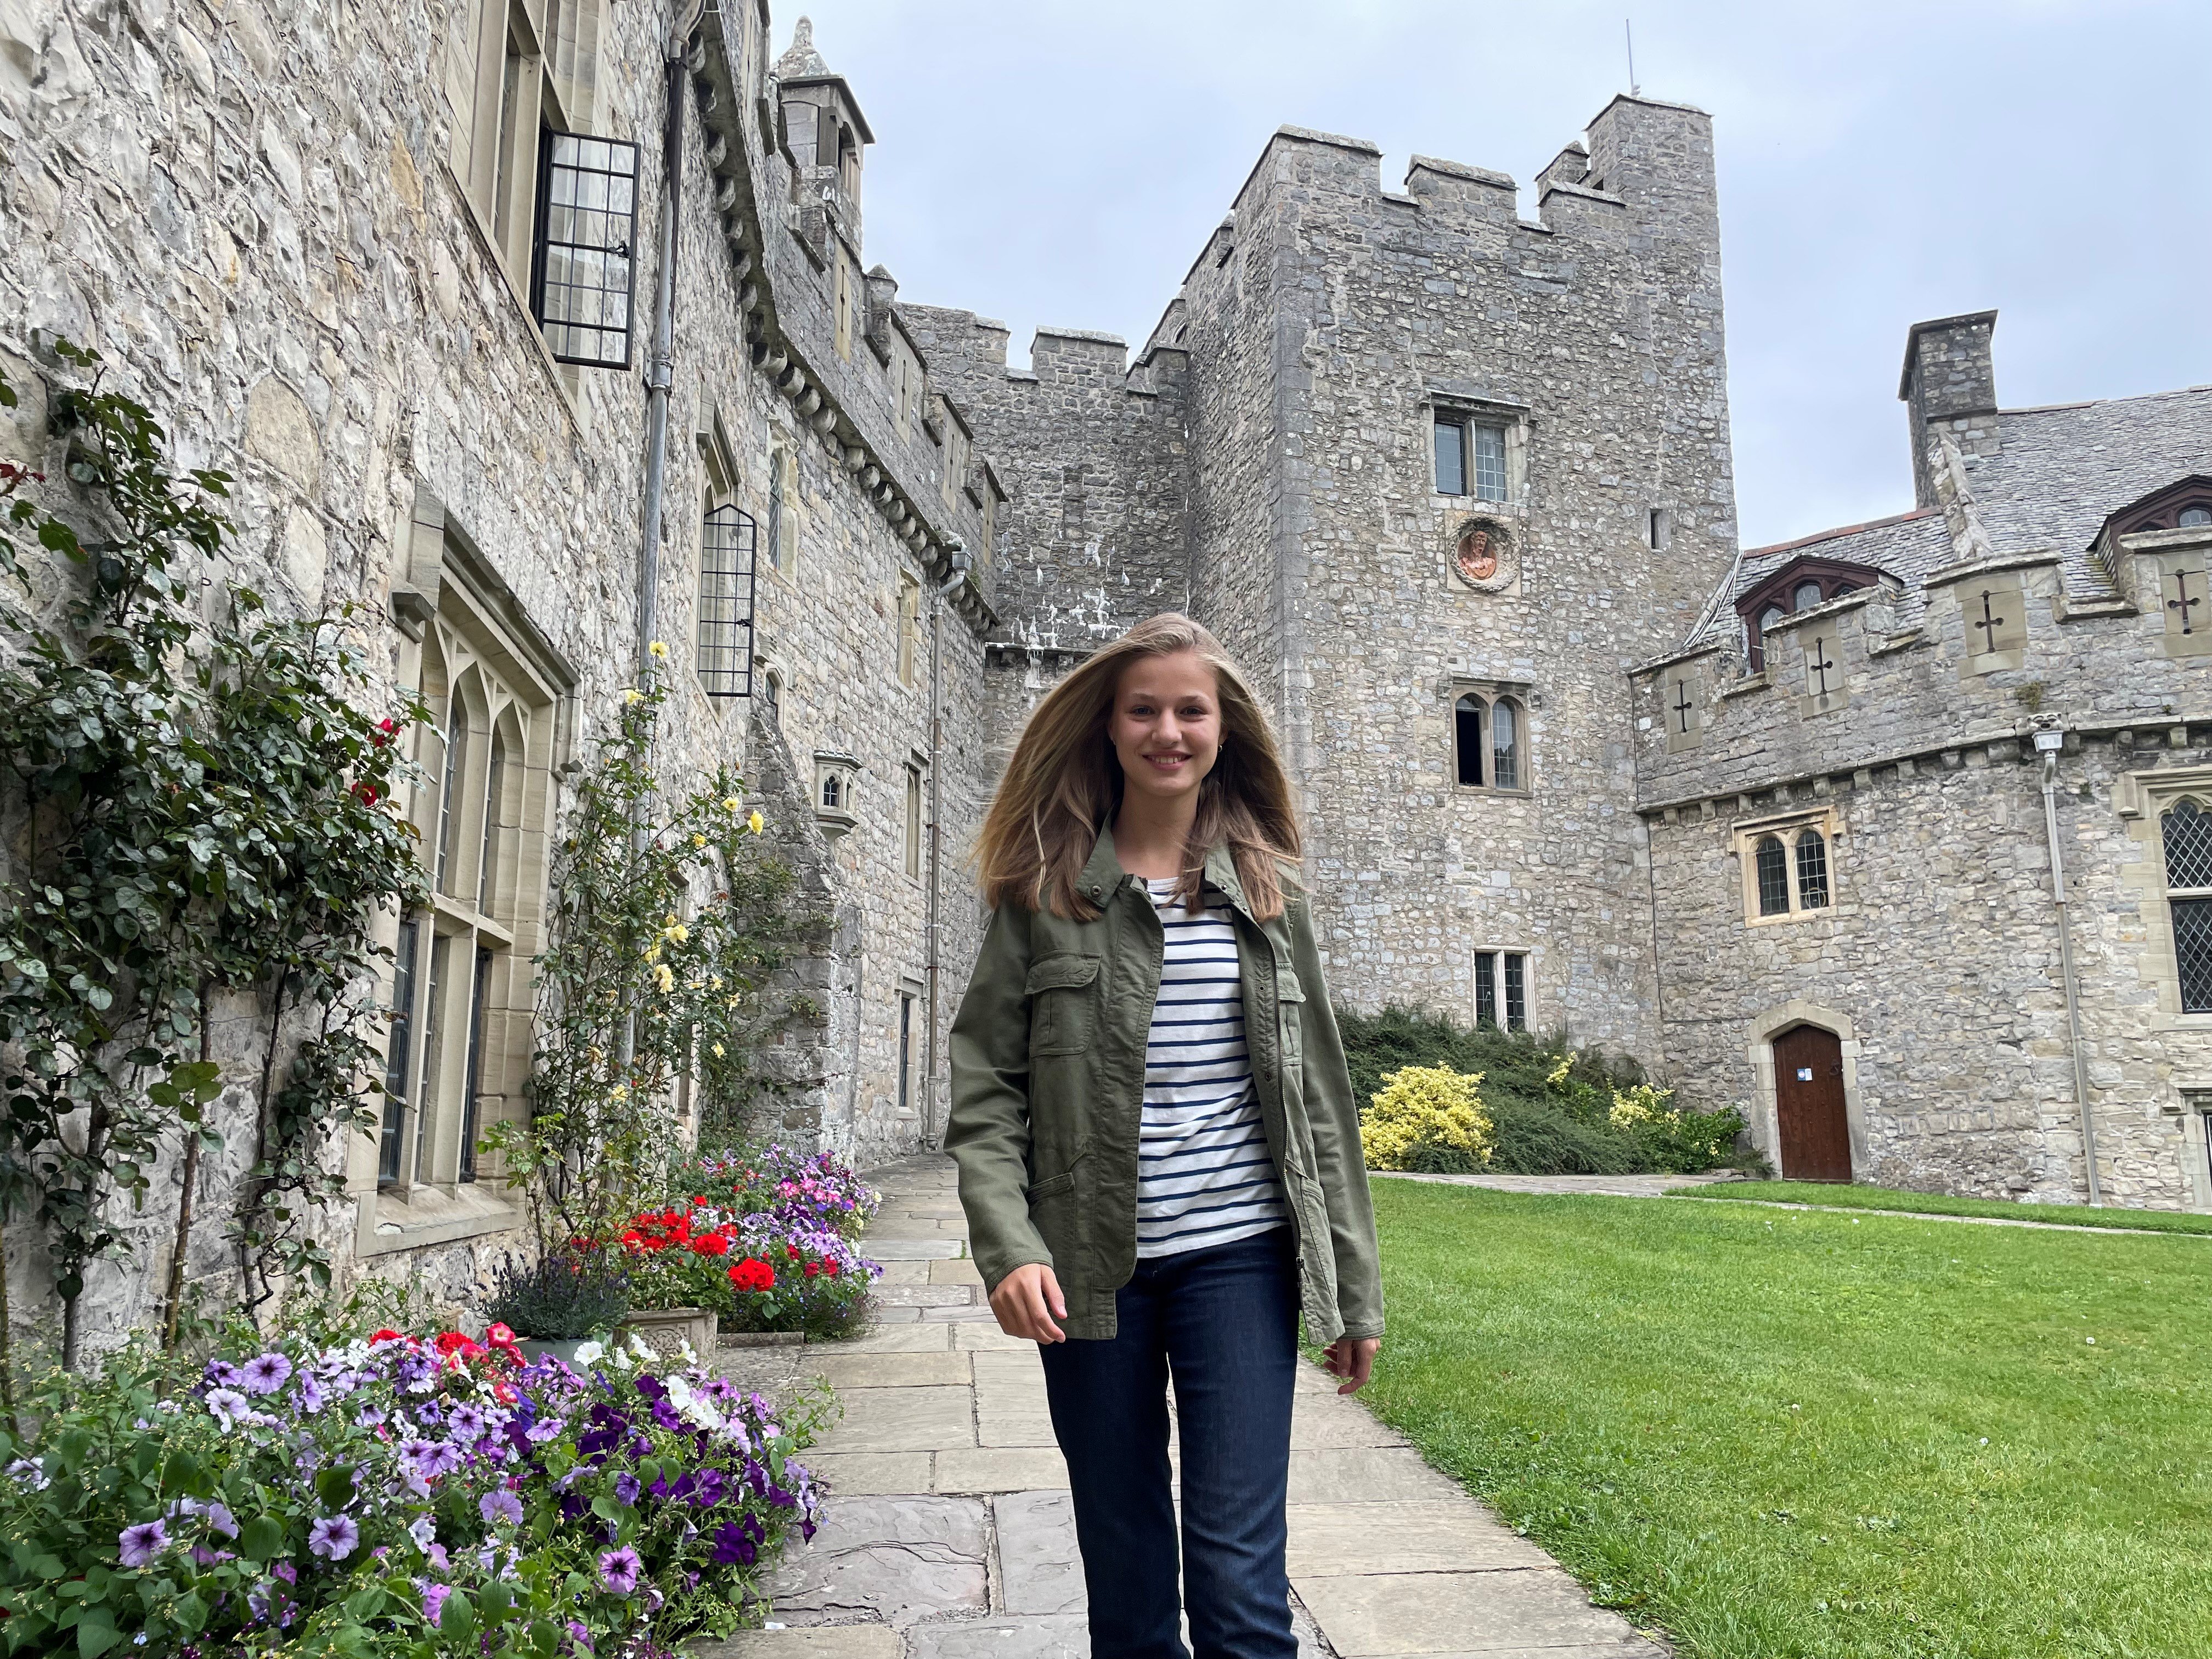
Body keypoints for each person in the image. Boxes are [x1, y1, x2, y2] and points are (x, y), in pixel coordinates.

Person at [946, 612, 1384, 1659]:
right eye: (1143, 709)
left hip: (1239, 1264)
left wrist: (1352, 1289)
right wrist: (1012, 1247)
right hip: (1092, 1272)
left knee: (1239, 1584)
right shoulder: (1045, 898)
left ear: (1223, 731)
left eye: (1192, 709)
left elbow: (1320, 1096)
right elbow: (985, 1089)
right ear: (1109, 727)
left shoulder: (1270, 898)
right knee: (1128, 1576)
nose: (1168, 730)